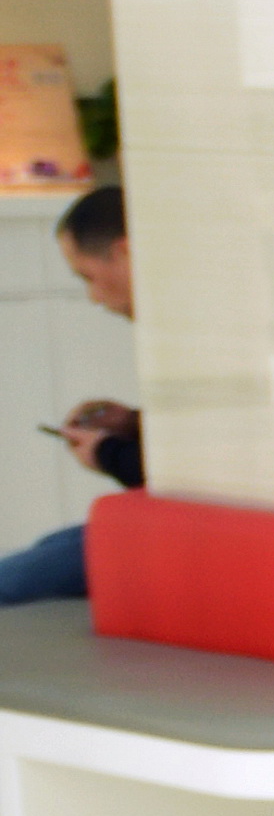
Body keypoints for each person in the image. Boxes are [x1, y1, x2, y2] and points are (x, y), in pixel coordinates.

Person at [0, 180, 140, 605]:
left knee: (14, 581)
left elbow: (184, 473)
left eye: (88, 277)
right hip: (167, 517)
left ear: (124, 253)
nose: (93, 297)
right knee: (48, 548)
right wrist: (131, 423)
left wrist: (106, 453)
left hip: (190, 527)